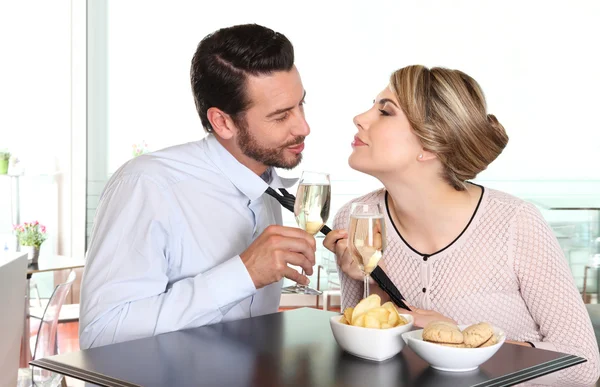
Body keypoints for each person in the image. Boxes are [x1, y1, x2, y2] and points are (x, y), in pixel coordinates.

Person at [324, 65, 600, 386]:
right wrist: (365, 278)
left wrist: (460, 341)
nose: (360, 117)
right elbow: (368, 360)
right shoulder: (356, 218)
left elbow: (583, 362)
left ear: (429, 146)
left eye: (385, 112)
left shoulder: (514, 222)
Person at [79, 24, 316, 349]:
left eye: (301, 104)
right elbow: (101, 333)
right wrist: (243, 273)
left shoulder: (267, 188)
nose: (304, 126)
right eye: (280, 116)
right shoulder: (147, 185)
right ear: (222, 122)